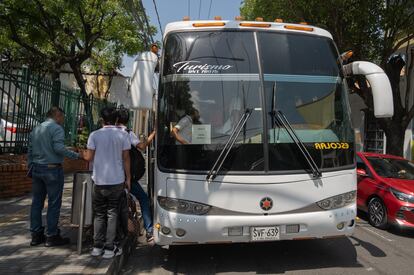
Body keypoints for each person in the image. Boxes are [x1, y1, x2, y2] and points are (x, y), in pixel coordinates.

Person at [27, 106, 82, 247]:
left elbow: (30, 150)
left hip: (37, 168)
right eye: (62, 117)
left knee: (37, 203)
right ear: (57, 115)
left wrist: (30, 166)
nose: (63, 120)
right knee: (53, 203)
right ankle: (51, 235)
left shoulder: (36, 129)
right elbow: (58, 148)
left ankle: (36, 234)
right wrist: (76, 155)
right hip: (52, 169)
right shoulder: (57, 129)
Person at [83, 107, 131, 259]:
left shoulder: (94, 135)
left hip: (99, 180)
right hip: (117, 180)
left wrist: (81, 153)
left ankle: (97, 246)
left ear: (102, 120)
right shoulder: (123, 135)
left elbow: (88, 158)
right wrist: (128, 178)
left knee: (99, 214)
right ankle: (110, 248)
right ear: (117, 120)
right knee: (112, 213)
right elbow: (126, 159)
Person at [116, 108, 156, 242]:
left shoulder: (103, 132)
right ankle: (150, 230)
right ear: (128, 120)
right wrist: (154, 133)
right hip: (124, 175)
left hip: (106, 176)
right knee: (143, 199)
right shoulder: (127, 133)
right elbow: (142, 146)